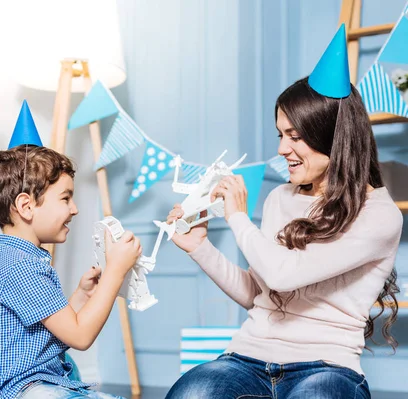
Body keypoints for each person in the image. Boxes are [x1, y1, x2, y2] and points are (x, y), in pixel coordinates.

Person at [165, 24, 403, 399]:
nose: (281, 149)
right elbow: (258, 293)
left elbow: (282, 274)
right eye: (280, 134)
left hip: (328, 365)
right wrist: (200, 248)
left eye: (295, 136)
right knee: (192, 393)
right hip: (247, 358)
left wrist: (238, 217)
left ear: (332, 137)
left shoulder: (379, 215)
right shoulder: (280, 198)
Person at [0, 101, 141, 399]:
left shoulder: (15, 257)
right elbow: (80, 335)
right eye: (65, 198)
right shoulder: (21, 265)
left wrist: (81, 297)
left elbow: (48, 327)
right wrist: (116, 270)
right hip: (20, 391)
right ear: (26, 206)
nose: (74, 209)